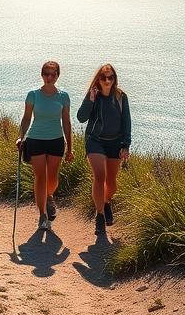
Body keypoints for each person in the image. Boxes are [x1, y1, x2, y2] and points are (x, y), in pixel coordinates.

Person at [16, 61, 73, 231]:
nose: (49, 77)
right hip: (35, 139)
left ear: (57, 76)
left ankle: (49, 196)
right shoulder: (33, 95)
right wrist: (20, 137)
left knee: (53, 179)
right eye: (46, 74)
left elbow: (67, 122)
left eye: (52, 74)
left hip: (56, 140)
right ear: (41, 75)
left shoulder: (64, 96)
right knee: (40, 178)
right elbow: (26, 118)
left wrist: (70, 147)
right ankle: (42, 215)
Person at [76, 63, 132, 236]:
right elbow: (81, 118)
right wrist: (90, 101)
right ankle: (99, 216)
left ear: (115, 79)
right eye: (104, 77)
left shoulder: (121, 97)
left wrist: (126, 145)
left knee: (112, 183)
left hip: (115, 143)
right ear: (98, 79)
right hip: (95, 141)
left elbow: (126, 122)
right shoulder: (93, 95)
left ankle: (106, 202)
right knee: (99, 177)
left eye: (111, 77)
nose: (107, 81)